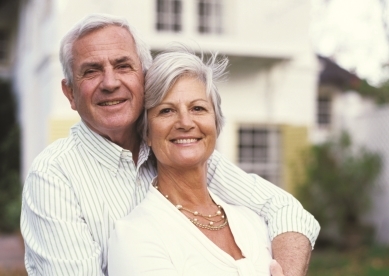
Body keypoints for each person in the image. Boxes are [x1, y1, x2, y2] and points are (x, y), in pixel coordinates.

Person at [20, 13, 319, 275]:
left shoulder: (176, 150)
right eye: (91, 70)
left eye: (123, 66)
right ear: (70, 93)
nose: (109, 82)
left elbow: (284, 210)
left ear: (144, 78)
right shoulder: (54, 175)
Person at [108, 46, 275, 275]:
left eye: (198, 108)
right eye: (166, 111)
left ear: (216, 124)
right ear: (146, 133)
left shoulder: (252, 221)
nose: (185, 122)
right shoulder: (136, 234)